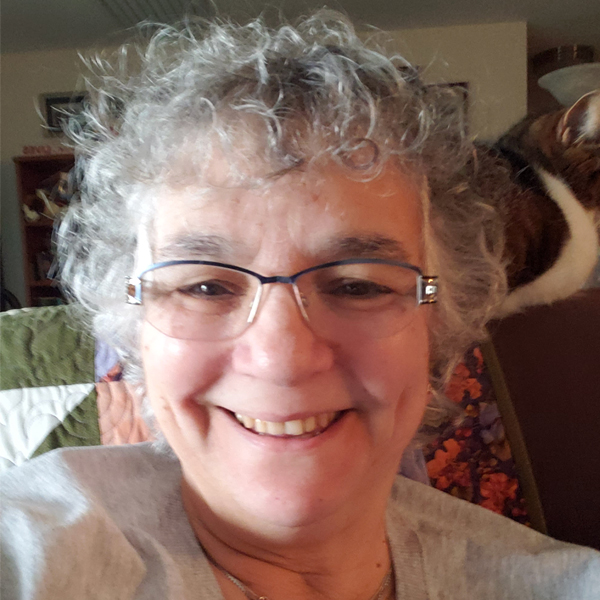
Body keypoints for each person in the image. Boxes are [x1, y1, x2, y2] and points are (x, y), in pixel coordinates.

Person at [1, 11, 599, 600]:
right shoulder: (35, 550)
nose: (280, 359)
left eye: (358, 284)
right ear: (133, 330)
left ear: (438, 324)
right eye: (205, 287)